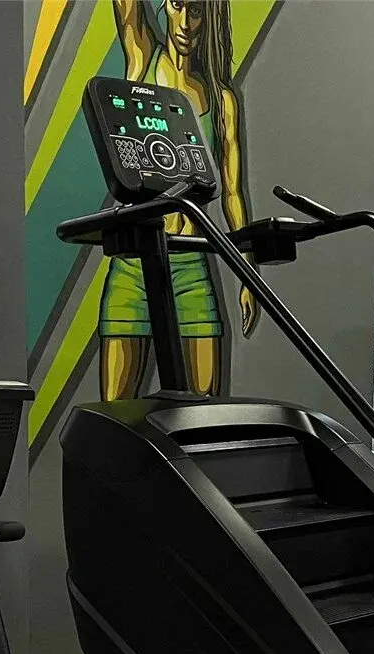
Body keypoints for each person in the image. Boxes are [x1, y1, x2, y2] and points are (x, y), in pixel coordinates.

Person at [100, 0, 260, 399]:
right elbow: (126, 8)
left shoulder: (221, 100)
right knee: (114, 413)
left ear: (210, 18)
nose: (186, 22)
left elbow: (233, 193)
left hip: (190, 265)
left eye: (197, 11)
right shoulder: (143, 62)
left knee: (206, 413)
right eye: (177, 5)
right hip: (134, 265)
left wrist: (248, 274)